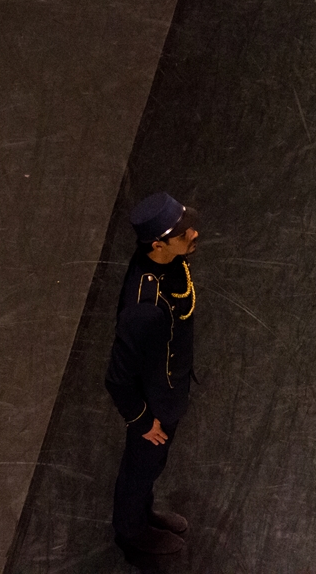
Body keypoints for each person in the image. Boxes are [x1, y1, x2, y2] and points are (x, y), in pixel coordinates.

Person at [105, 192, 200, 554]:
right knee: (141, 467)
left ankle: (143, 512)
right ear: (158, 244)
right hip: (153, 406)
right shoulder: (144, 308)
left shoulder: (168, 261)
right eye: (183, 233)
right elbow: (117, 379)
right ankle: (131, 531)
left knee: (151, 467)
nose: (193, 235)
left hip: (169, 389)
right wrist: (144, 421)